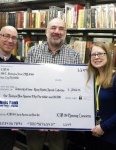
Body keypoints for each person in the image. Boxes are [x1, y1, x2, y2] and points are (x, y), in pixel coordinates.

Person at [25, 18, 81, 150]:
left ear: (65, 33)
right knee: (34, 147)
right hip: (36, 113)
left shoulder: (74, 55)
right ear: (46, 31)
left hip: (61, 115)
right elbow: (26, 82)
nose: (57, 31)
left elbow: (77, 86)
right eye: (53, 28)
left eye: (61, 29)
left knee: (58, 147)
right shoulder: (33, 51)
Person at [86, 42, 116, 150]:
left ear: (108, 56)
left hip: (112, 137)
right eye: (93, 54)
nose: (97, 57)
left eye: (100, 54)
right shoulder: (90, 79)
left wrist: (103, 127)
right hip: (92, 134)